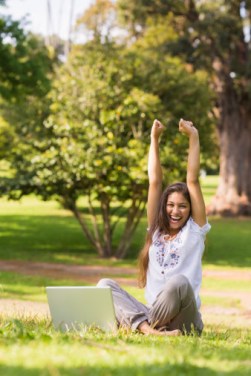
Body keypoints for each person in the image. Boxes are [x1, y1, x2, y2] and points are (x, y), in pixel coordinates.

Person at [97, 118, 211, 336]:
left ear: (190, 210)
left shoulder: (195, 231)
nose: (175, 211)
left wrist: (193, 137)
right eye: (170, 205)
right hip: (154, 314)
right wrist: (154, 139)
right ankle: (150, 330)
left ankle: (141, 326)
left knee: (179, 282)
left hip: (184, 320)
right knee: (105, 285)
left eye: (182, 206)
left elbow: (193, 180)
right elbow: (154, 182)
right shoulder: (156, 231)